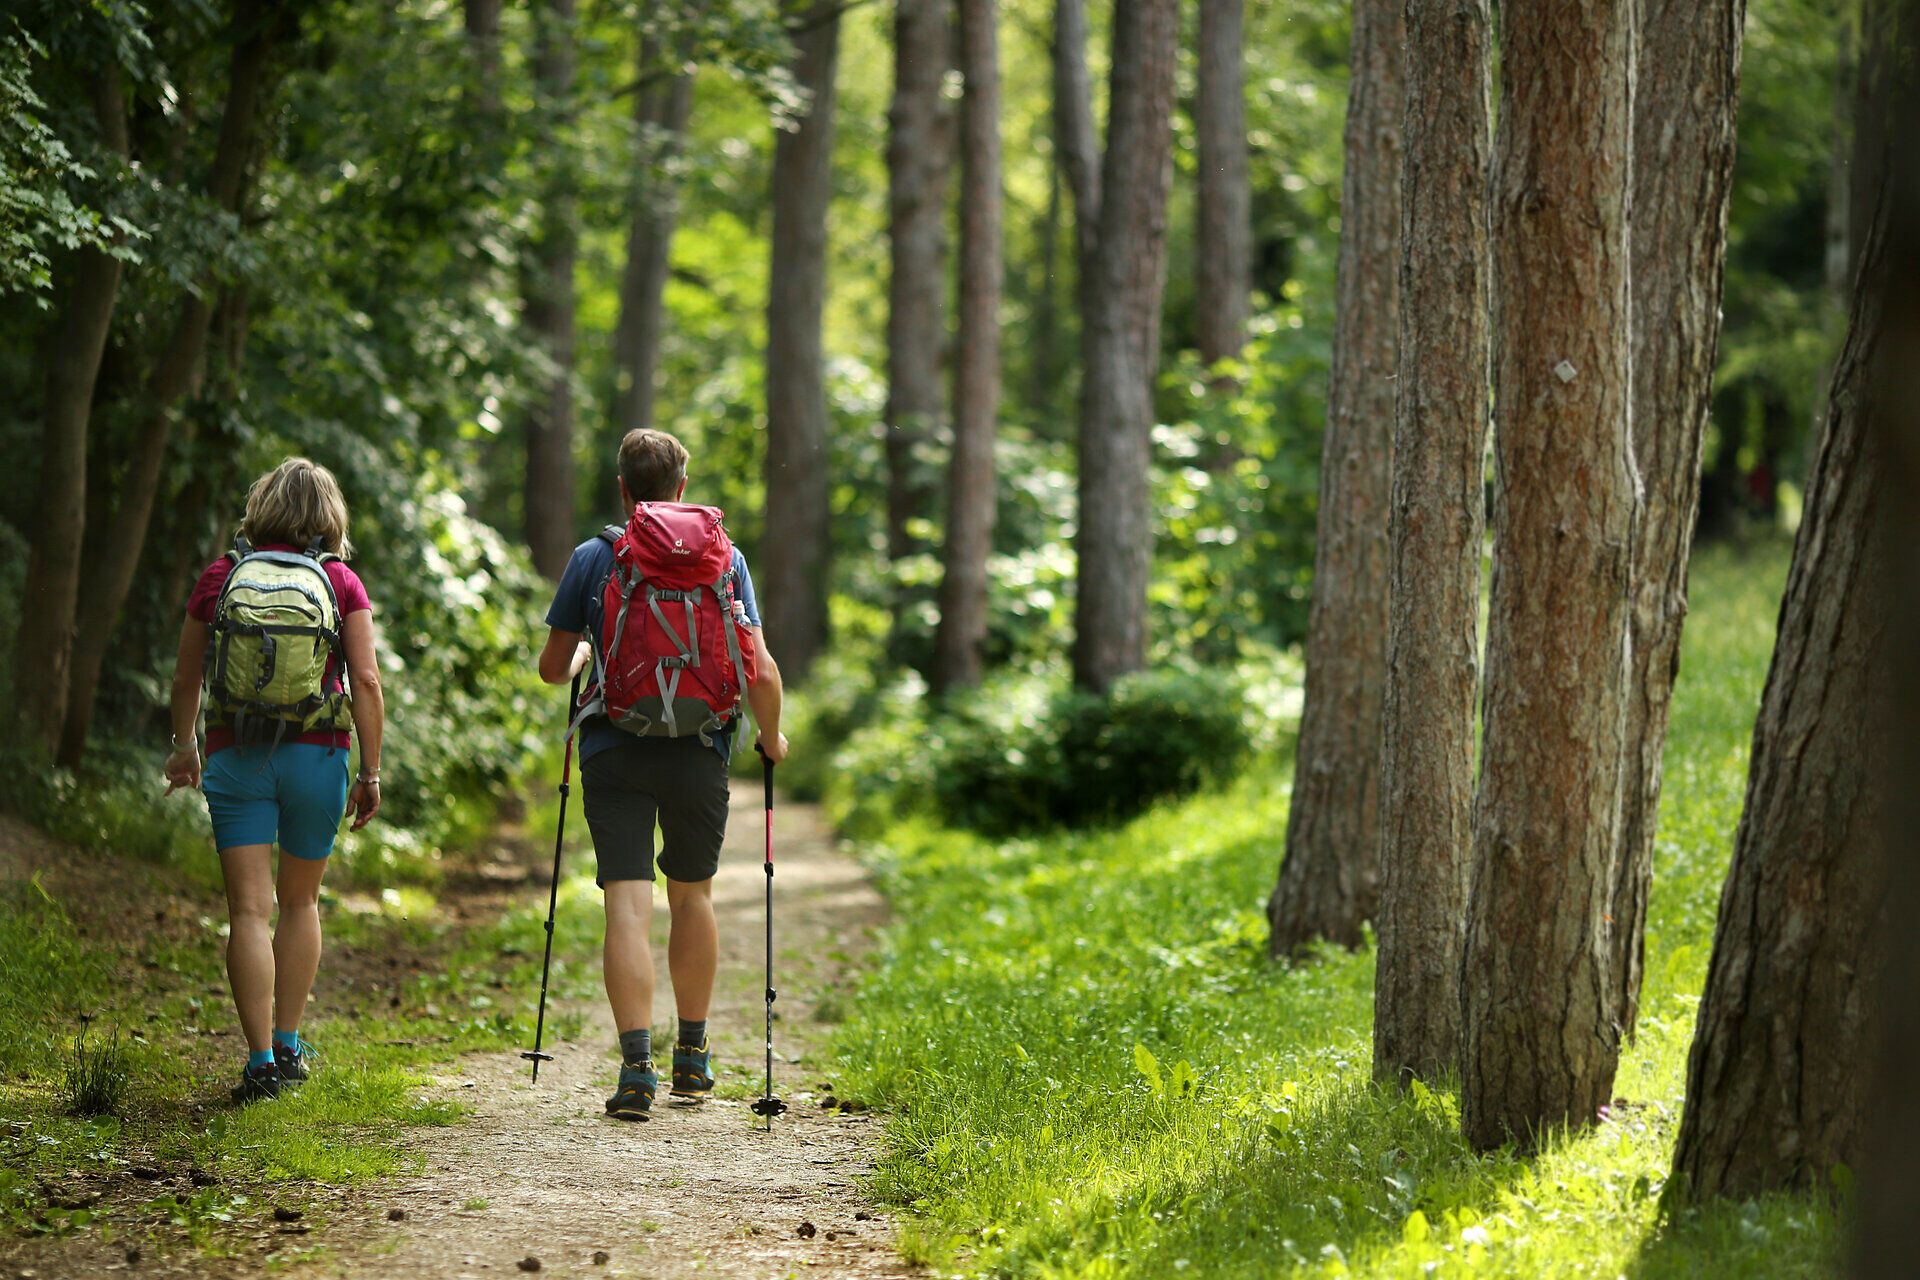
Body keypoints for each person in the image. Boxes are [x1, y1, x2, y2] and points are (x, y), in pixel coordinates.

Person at [538, 427, 787, 1121]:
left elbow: (553, 668)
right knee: (693, 897)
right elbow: (759, 669)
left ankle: (636, 1067)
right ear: (683, 487)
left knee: (627, 901)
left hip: (614, 747)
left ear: (623, 489)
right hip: (699, 748)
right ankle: (693, 1057)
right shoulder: (726, 559)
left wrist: (587, 661)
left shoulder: (595, 556)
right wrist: (771, 736)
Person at [163, 458, 385, 1103]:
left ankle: (258, 1061)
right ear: (329, 518)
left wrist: (186, 748)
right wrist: (369, 771)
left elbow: (185, 679)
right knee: (301, 903)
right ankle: (289, 1045)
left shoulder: (221, 577)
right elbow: (366, 681)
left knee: (248, 911)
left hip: (237, 756)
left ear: (260, 511)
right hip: (318, 756)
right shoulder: (340, 581)